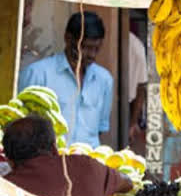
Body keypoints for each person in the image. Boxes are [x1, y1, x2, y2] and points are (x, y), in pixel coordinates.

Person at [19, 11, 112, 148]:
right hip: (50, 162)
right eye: (85, 47)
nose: (92, 55)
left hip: (88, 161)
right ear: (68, 39)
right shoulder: (37, 73)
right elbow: (21, 126)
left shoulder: (104, 80)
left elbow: (99, 129)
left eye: (97, 49)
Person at [2, 116, 131, 196]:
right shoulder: (86, 166)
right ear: (54, 147)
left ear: (10, 161)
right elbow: (127, 182)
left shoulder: (5, 189)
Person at [128, 32, 148, 147]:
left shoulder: (136, 46)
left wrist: (133, 122)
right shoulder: (137, 45)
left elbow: (141, 88)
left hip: (127, 108)